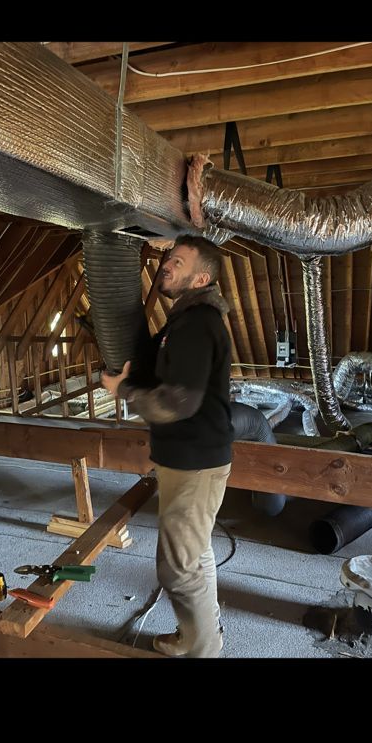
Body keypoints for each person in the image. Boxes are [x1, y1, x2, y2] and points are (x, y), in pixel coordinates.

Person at [101, 234, 233, 658]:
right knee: (196, 555)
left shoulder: (196, 324)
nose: (165, 266)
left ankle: (204, 651)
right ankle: (197, 633)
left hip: (194, 463)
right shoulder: (186, 319)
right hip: (194, 458)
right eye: (167, 259)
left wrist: (124, 393)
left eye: (177, 261)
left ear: (201, 278)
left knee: (177, 569)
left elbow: (179, 401)